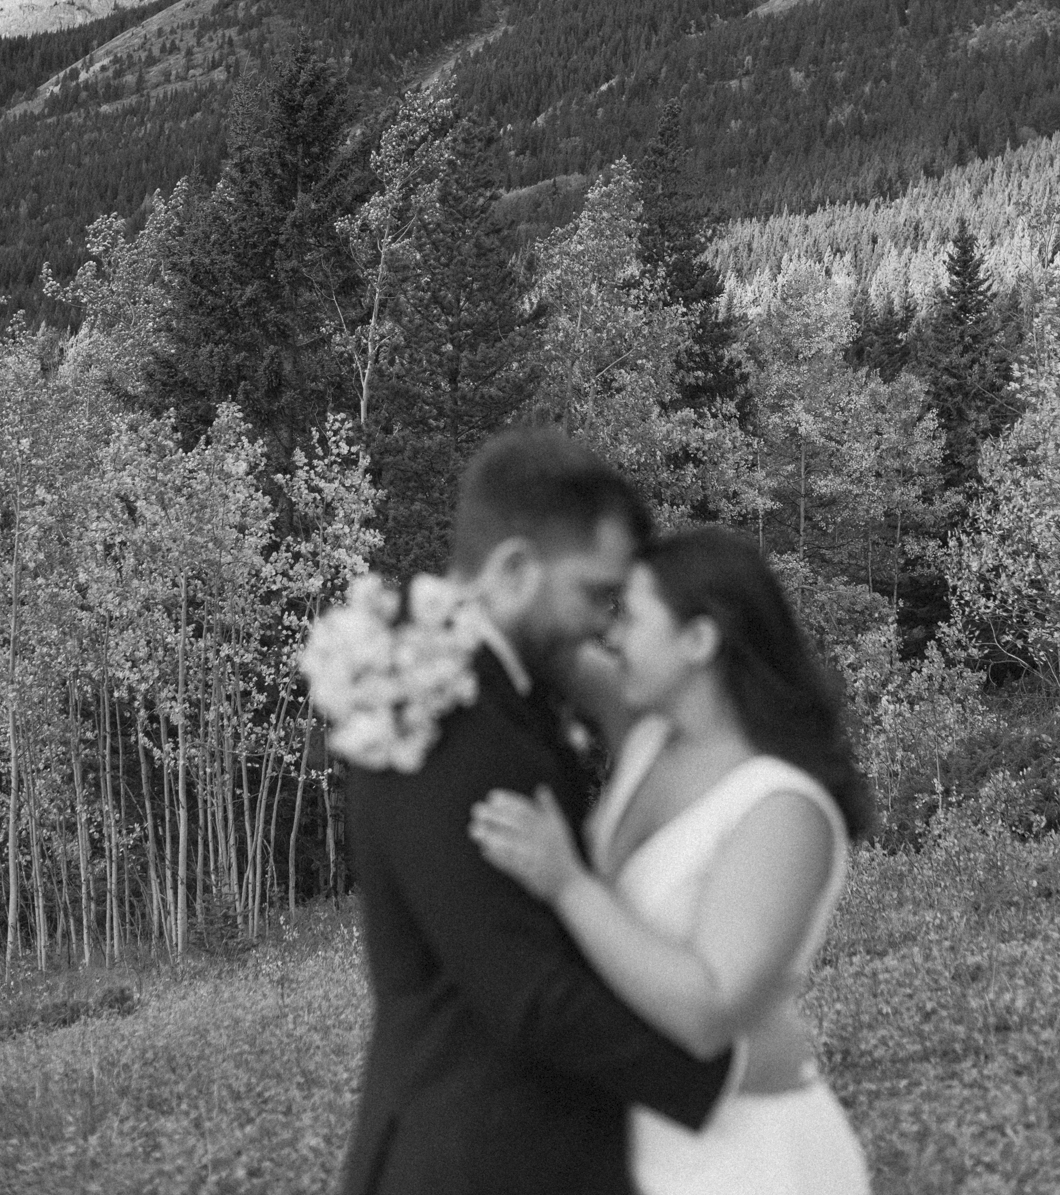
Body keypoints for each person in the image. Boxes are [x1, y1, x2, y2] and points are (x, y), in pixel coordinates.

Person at [339, 430, 735, 1195]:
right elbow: (521, 991)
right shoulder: (438, 717)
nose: (606, 625)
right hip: (472, 1156)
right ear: (516, 569)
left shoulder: (500, 689)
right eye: (595, 593)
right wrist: (714, 1081)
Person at [470, 527, 873, 1195]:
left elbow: (708, 1011)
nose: (612, 638)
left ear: (699, 640)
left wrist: (567, 883)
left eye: (629, 616)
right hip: (644, 1146)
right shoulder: (648, 736)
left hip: (755, 1158)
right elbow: (544, 640)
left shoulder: (782, 809)